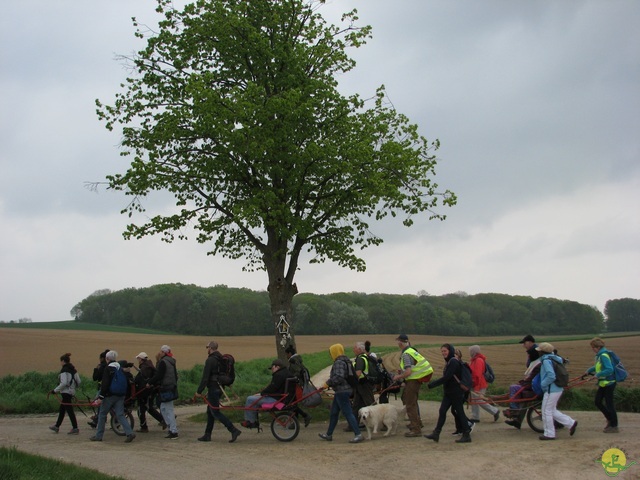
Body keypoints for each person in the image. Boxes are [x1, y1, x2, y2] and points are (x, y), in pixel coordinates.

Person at [424, 344, 473, 444]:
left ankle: (466, 434)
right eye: (442, 351)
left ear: (450, 351)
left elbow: (447, 377)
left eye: (445, 351)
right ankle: (436, 434)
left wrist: (432, 384)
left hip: (455, 392)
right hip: (449, 392)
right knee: (442, 411)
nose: (443, 353)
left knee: (460, 412)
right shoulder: (450, 362)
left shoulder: (453, 362)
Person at [196, 341, 242, 442]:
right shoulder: (221, 358)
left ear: (210, 348)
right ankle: (207, 435)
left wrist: (199, 391)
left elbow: (205, 378)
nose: (207, 349)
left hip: (213, 388)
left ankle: (233, 430)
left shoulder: (210, 360)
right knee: (210, 411)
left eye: (207, 347)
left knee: (215, 412)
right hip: (220, 387)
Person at [318, 343, 363, 443]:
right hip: (342, 391)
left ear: (335, 352)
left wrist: (326, 384)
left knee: (348, 413)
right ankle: (329, 434)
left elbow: (339, 377)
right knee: (334, 413)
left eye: (331, 353)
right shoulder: (346, 361)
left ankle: (358, 434)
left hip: (342, 391)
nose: (330, 355)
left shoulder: (339, 362)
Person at [89, 350, 136, 443]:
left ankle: (99, 436)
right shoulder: (120, 367)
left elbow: (105, 384)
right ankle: (129, 433)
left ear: (107, 359)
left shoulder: (108, 368)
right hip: (121, 395)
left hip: (110, 396)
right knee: (120, 414)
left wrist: (101, 397)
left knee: (102, 414)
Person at [392, 334, 434, 437]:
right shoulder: (412, 351)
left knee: (410, 404)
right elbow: (412, 367)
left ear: (400, 343)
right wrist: (402, 371)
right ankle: (417, 424)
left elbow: (409, 372)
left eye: (398, 342)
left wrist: (398, 376)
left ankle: (416, 429)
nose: (398, 344)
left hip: (412, 381)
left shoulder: (406, 354)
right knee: (413, 403)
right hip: (416, 380)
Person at [536, 342, 578, 441]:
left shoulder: (546, 360)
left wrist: (543, 384)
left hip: (551, 389)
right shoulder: (555, 358)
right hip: (557, 388)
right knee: (552, 410)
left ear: (542, 352)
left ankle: (549, 434)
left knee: (546, 411)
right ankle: (571, 423)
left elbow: (551, 375)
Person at [241, 359, 296, 428]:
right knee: (255, 399)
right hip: (284, 398)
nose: (272, 370)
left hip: (277, 399)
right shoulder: (287, 373)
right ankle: (254, 419)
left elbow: (272, 388)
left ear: (277, 367)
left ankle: (250, 422)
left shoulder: (278, 375)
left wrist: (261, 393)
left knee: (250, 399)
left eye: (272, 368)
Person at [585, 337, 618, 433]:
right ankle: (610, 419)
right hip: (604, 383)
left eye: (593, 347)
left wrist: (597, 375)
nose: (592, 349)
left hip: (609, 383)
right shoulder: (600, 355)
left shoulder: (603, 355)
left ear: (598, 347)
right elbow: (598, 366)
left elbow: (609, 369)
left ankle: (614, 425)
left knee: (609, 404)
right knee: (598, 402)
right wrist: (589, 370)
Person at [147, 345, 179, 439]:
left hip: (166, 388)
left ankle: (174, 431)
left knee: (168, 410)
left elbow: (159, 375)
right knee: (163, 408)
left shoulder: (162, 362)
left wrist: (150, 382)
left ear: (164, 352)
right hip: (171, 387)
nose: (159, 353)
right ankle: (170, 428)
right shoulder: (171, 362)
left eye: (161, 351)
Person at [49, 352, 81, 435]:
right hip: (71, 392)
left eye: (61, 361)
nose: (60, 363)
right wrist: (73, 388)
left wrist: (54, 390)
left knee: (69, 410)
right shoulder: (73, 370)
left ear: (63, 361)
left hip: (66, 393)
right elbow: (79, 381)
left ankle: (75, 428)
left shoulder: (64, 370)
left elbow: (63, 383)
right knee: (62, 409)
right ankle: (57, 426)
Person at [134, 352, 166, 432]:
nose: (138, 360)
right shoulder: (148, 366)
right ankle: (161, 421)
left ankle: (144, 427)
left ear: (141, 359)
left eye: (138, 359)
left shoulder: (145, 368)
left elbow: (142, 380)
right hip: (151, 391)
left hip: (145, 392)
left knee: (143, 409)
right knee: (148, 408)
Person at [468, 345, 500, 423]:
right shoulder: (474, 360)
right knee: (474, 400)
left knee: (478, 400)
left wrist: (476, 387)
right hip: (475, 384)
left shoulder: (478, 360)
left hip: (479, 384)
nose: (469, 353)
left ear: (474, 352)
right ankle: (475, 417)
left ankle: (495, 411)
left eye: (471, 351)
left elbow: (478, 375)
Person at [348, 341, 375, 429]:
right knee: (356, 405)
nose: (353, 349)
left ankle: (378, 422)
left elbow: (358, 373)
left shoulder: (360, 359)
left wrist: (350, 381)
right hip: (362, 385)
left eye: (355, 348)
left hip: (363, 385)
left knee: (370, 405)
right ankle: (353, 425)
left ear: (359, 349)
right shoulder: (364, 357)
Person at [284, 345, 312, 427]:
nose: (286, 356)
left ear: (289, 353)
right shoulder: (298, 360)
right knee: (293, 404)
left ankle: (305, 416)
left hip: (295, 385)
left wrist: (291, 378)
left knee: (292, 404)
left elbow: (297, 372)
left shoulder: (293, 361)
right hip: (298, 384)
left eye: (286, 354)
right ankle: (295, 423)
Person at [88, 349, 110, 429]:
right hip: (109, 389)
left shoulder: (102, 367)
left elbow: (95, 378)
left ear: (102, 358)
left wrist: (96, 369)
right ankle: (98, 420)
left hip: (102, 388)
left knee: (99, 404)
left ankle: (98, 420)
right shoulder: (112, 366)